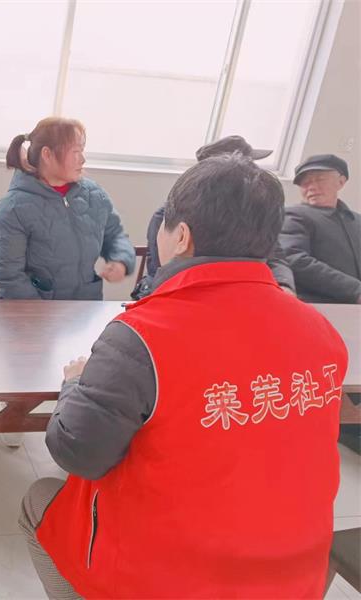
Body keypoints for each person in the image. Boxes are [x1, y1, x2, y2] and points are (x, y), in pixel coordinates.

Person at [19, 154, 347, 598]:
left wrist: (76, 384)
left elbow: (78, 454)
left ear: (182, 237)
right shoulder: (320, 330)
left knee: (38, 499)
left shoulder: (145, 334)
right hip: (294, 578)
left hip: (166, 581)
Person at [0, 117, 135, 300]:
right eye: (75, 152)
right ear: (47, 155)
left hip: (84, 309)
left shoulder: (95, 195)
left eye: (82, 151)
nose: (83, 159)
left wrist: (121, 260)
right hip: (30, 312)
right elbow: (10, 277)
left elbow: (116, 235)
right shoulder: (13, 208)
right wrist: (43, 313)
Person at [132, 135, 295, 299]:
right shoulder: (170, 215)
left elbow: (276, 256)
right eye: (246, 164)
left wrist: (284, 285)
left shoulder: (254, 216)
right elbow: (167, 270)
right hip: (175, 295)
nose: (254, 171)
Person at [280, 153, 360, 304]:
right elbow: (293, 258)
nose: (311, 187)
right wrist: (356, 291)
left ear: (341, 182)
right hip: (318, 307)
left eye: (320, 179)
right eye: (305, 182)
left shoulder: (356, 221)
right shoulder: (294, 215)